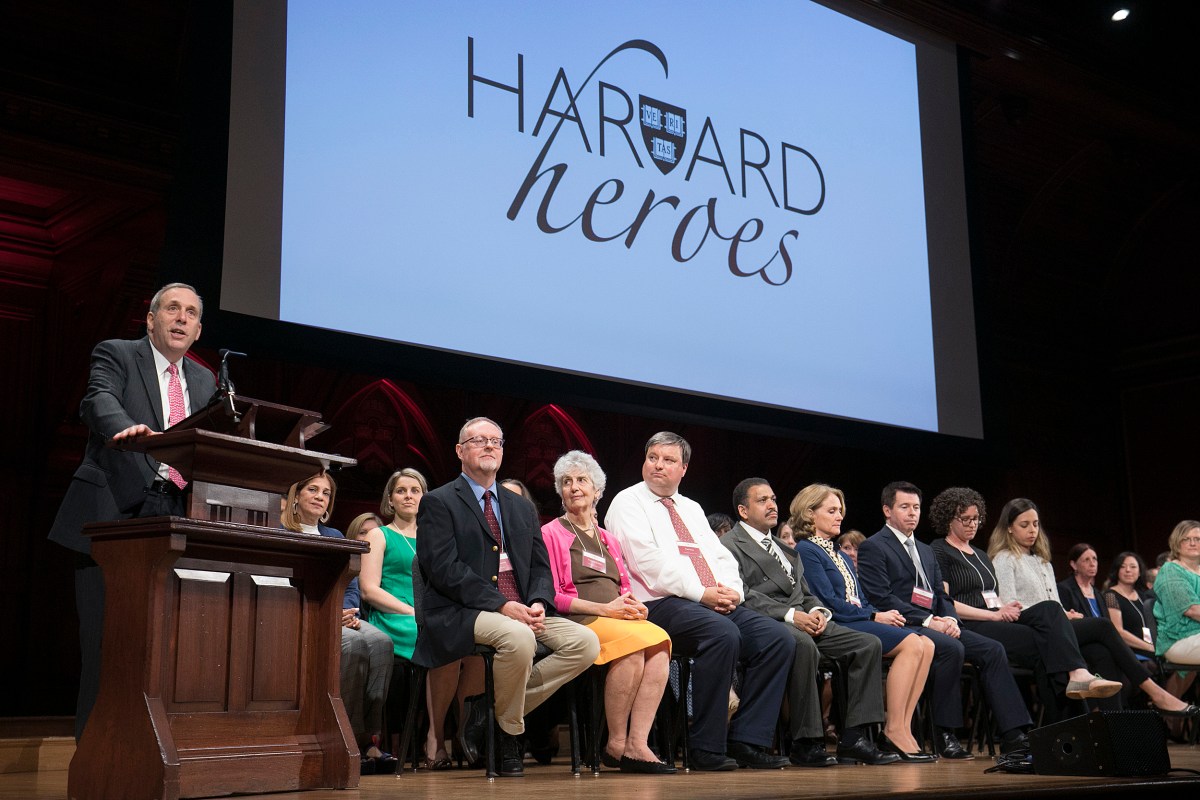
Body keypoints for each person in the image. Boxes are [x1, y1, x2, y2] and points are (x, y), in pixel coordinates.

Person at [48, 283, 217, 740]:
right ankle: (96, 755)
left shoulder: (205, 381)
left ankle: (149, 751)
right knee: (107, 645)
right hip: (114, 514)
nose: (181, 319)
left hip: (176, 515)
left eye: (190, 314)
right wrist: (126, 428)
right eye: (172, 309)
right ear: (151, 319)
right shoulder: (118, 354)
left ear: (198, 330)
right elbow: (97, 399)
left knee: (164, 647)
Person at [413, 417, 599, 777]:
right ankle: (509, 734)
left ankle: (490, 712)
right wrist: (501, 604)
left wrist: (539, 602)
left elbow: (540, 567)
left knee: (586, 643)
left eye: (495, 441)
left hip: (523, 610)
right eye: (479, 440)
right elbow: (444, 569)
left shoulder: (520, 507)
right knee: (518, 638)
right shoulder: (438, 502)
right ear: (460, 451)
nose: (488, 447)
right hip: (462, 610)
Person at [604, 432, 792, 771]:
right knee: (722, 635)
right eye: (653, 458)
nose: (658, 465)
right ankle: (705, 746)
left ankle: (747, 739)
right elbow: (648, 563)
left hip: (709, 600)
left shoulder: (691, 507)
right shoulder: (627, 502)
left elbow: (720, 557)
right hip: (658, 604)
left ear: (684, 468)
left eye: (668, 460)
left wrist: (734, 590)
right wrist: (702, 593)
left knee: (777, 639)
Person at [722, 479, 898, 767]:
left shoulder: (782, 547)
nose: (772, 505)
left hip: (803, 618)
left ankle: (854, 738)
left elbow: (805, 592)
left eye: (774, 499)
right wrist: (792, 616)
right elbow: (742, 593)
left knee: (868, 644)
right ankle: (807, 742)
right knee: (802, 644)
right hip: (766, 621)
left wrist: (818, 611)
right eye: (762, 500)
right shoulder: (729, 544)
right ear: (743, 510)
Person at [856, 481, 1032, 759]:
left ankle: (1014, 736)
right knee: (952, 649)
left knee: (993, 649)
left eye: (916, 507)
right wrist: (929, 621)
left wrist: (950, 619)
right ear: (887, 510)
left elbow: (940, 594)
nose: (912, 513)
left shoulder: (925, 550)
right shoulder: (873, 546)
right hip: (902, 623)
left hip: (935, 622)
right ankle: (944, 732)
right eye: (904, 507)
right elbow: (882, 597)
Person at [988, 498, 1196, 718]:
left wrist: (1065, 613)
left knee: (1101, 651)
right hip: (1033, 630)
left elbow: (1053, 603)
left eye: (1036, 524)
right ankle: (1157, 694)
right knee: (1104, 627)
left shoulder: (1043, 562)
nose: (1032, 530)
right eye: (1024, 525)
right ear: (1009, 528)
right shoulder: (1005, 558)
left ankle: (1115, 727)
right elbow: (1010, 605)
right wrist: (1056, 613)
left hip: (1057, 626)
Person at [928, 488, 1122, 716]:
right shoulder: (939, 549)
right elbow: (945, 601)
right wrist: (995, 614)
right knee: (1050, 642)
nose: (973, 524)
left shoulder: (980, 555)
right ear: (949, 519)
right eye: (966, 519)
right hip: (970, 623)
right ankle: (1063, 724)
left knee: (1054, 633)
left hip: (997, 618)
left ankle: (1072, 727)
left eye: (976, 518)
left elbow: (995, 596)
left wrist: (1002, 609)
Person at [541, 451, 674, 774]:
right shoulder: (551, 533)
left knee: (660, 642)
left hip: (614, 616)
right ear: (560, 491)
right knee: (633, 647)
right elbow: (551, 596)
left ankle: (637, 743)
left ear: (597, 490)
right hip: (578, 618)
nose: (574, 487)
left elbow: (624, 586)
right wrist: (605, 609)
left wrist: (633, 604)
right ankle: (616, 743)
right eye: (567, 482)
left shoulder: (608, 540)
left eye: (582, 481)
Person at [793, 484, 936, 763]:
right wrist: (873, 616)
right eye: (831, 511)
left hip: (859, 618)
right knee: (911, 644)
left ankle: (904, 728)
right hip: (842, 623)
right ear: (810, 514)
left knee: (927, 644)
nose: (839, 517)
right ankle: (892, 729)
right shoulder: (807, 550)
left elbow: (860, 598)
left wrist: (879, 613)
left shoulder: (841, 555)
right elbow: (828, 602)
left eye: (840, 511)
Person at [359, 468, 484, 770]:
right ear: (390, 498)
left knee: (471, 643)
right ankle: (436, 740)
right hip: (395, 617)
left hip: (434, 614)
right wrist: (411, 611)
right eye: (401, 490)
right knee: (441, 639)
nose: (409, 496)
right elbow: (369, 589)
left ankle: (470, 738)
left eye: (415, 490)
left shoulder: (439, 536)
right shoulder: (380, 535)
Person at [282, 471, 397, 771]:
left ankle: (371, 738)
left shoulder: (334, 538)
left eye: (326, 493)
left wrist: (345, 611)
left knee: (382, 643)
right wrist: (328, 615)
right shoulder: (281, 532)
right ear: (296, 495)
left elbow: (350, 585)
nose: (320, 496)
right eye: (313, 489)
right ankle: (345, 738)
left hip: (339, 614)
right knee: (353, 644)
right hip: (301, 614)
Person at [1152, 520, 1200, 695]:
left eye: (1197, 538)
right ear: (1176, 543)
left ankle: (1173, 717)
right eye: (1186, 539)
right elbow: (1192, 610)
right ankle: (1169, 714)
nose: (1193, 543)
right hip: (1177, 639)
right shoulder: (1171, 570)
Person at [1102, 551, 1157, 662]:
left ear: (1140, 572)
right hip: (1130, 651)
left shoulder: (1143, 595)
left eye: (1133, 567)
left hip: (1150, 647)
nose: (1128, 570)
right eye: (1123, 567)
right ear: (1117, 570)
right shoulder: (1111, 596)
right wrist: (1150, 647)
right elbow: (1118, 631)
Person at [1056, 543, 1105, 618]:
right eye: (1086, 560)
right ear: (1074, 565)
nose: (1092, 564)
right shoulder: (1064, 589)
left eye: (1094, 559)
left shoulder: (1098, 594)